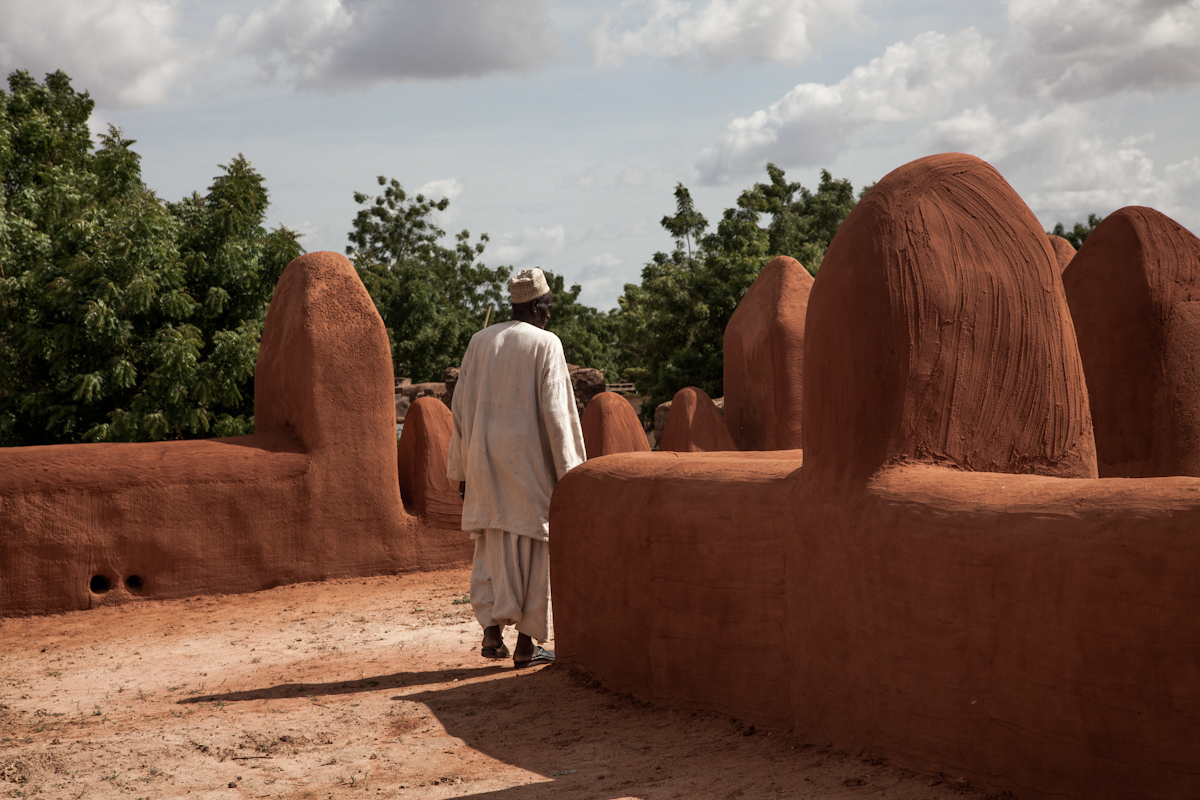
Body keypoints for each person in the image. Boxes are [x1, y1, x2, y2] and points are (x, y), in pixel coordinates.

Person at [447, 268, 587, 668]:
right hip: (530, 464)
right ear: (532, 305)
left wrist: (462, 467)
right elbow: (559, 413)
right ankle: (526, 646)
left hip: (485, 460)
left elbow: (461, 406)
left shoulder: (480, 341)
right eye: (547, 306)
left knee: (491, 544)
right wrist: (572, 475)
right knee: (533, 548)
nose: (549, 314)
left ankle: (492, 635)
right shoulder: (546, 344)